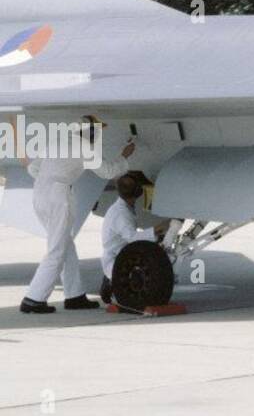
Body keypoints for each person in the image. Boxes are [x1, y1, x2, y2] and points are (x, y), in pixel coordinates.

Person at [20, 122, 133, 315]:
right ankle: (33, 299)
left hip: (40, 193)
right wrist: (124, 156)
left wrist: (53, 176)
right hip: (58, 198)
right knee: (56, 250)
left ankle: (75, 296)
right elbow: (108, 172)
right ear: (91, 135)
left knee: (66, 245)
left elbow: (33, 169)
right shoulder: (84, 147)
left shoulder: (58, 142)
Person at [98, 172, 157, 303]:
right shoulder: (121, 213)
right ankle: (111, 283)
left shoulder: (124, 207)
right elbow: (133, 238)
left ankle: (111, 280)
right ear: (138, 192)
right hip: (117, 259)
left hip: (122, 253)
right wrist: (156, 231)